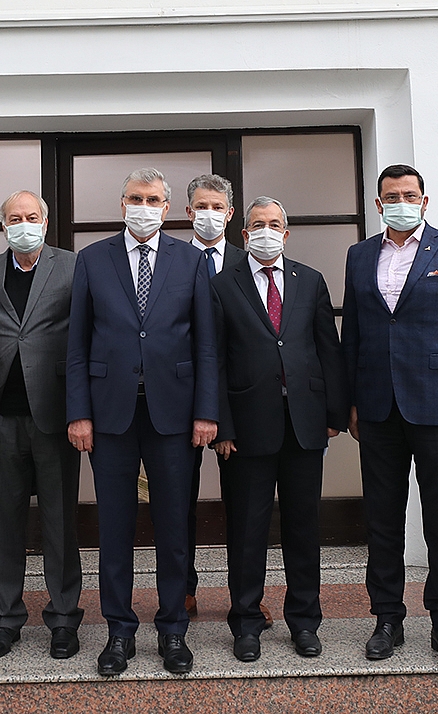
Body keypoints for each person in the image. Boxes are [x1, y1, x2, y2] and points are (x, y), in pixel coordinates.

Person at [66, 167, 219, 677]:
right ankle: (119, 631)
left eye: (154, 199)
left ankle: (173, 628)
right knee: (115, 526)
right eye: (136, 198)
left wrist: (206, 412)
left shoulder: (191, 260)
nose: (144, 207)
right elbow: (77, 344)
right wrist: (79, 413)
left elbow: (206, 344)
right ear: (122, 203)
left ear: (168, 207)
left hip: (173, 413)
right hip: (109, 413)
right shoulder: (92, 259)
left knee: (174, 525)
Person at [341, 163, 438, 667]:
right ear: (378, 203)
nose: (400, 202)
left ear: (424, 201)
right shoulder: (360, 255)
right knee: (382, 519)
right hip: (377, 406)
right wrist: (351, 401)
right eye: (391, 196)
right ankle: (387, 618)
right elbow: (353, 332)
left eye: (409, 194)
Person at [211, 197, 347, 662]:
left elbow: (328, 349)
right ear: (244, 234)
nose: (266, 231)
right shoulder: (221, 285)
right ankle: (246, 623)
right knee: (247, 531)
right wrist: (222, 425)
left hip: (305, 425)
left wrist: (333, 415)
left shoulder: (310, 280)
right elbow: (214, 359)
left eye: (274, 224)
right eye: (257, 225)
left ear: (286, 234)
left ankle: (304, 621)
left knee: (303, 528)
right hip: (246, 428)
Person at [0, 190, 84, 660]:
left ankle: (64, 618)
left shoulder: (73, 267)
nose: (23, 224)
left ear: (45, 223)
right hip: (1, 417)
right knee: (3, 521)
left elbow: (85, 333)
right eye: (15, 218)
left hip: (55, 414)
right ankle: (5, 619)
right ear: (3, 225)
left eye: (31, 216)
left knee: (59, 522)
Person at [182, 174, 248, 618]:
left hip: (238, 405)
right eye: (201, 207)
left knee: (242, 506)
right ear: (188, 212)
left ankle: (245, 597)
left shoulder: (249, 261)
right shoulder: (171, 260)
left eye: (217, 207)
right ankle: (183, 589)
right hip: (179, 401)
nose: (209, 214)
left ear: (230, 213)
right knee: (177, 502)